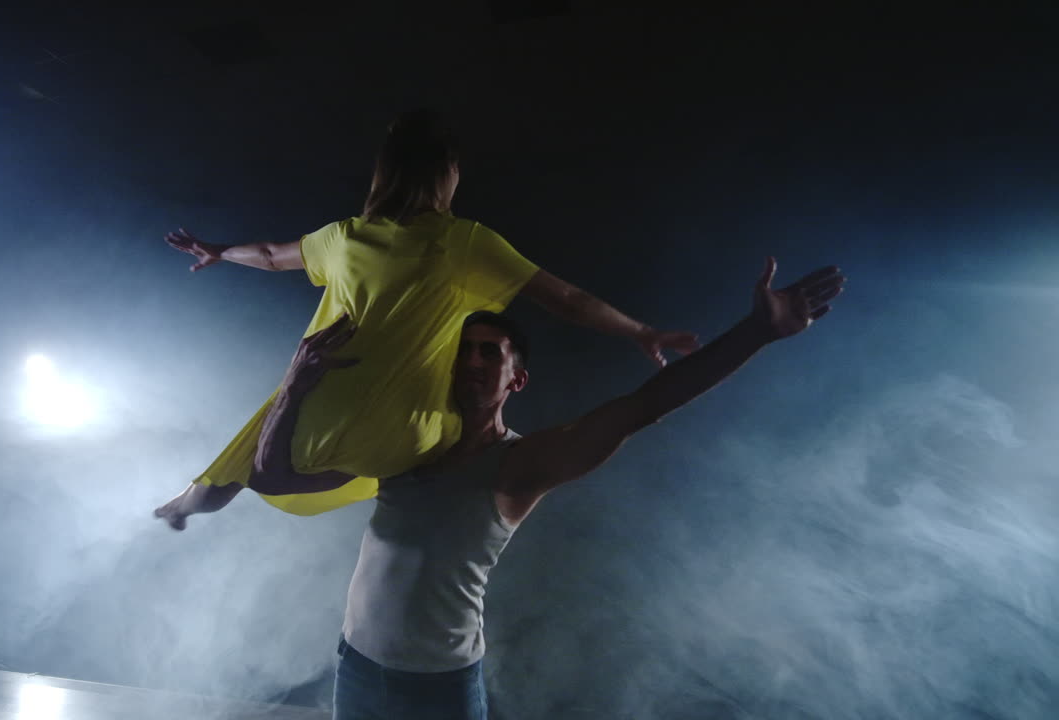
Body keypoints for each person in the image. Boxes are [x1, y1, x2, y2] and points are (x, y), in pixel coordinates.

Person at [243, 257, 844, 719]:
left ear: (517, 378)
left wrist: (756, 332)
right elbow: (270, 477)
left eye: (489, 352)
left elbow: (644, 405)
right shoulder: (405, 447)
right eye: (462, 351)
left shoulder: (521, 463)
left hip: (437, 691)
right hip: (356, 668)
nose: (472, 360)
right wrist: (296, 384)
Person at [155, 110, 698, 523]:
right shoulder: (462, 242)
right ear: (446, 175)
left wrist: (221, 251)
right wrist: (640, 331)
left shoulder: (343, 238)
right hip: (410, 436)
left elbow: (273, 255)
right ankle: (200, 497)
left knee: (269, 424)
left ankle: (191, 502)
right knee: (429, 451)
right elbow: (567, 299)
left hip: (314, 426)